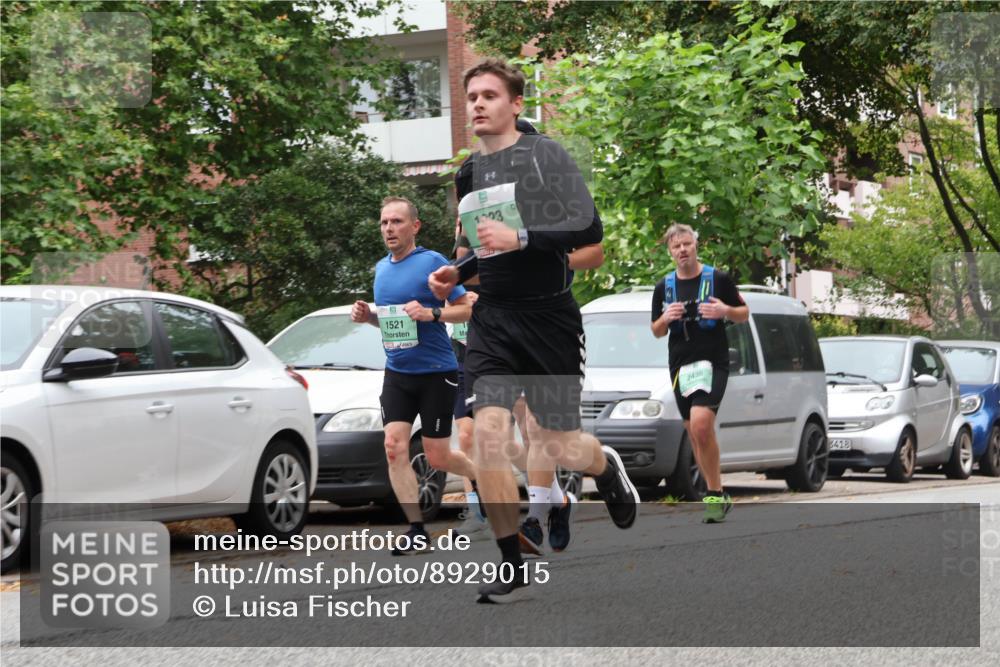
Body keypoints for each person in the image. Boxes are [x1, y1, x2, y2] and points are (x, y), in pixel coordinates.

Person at [428, 59, 639, 603]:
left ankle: (604, 465)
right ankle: (512, 563)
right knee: (490, 437)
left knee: (563, 445)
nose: (477, 103)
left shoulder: (544, 155)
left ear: (516, 104)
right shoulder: (468, 173)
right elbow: (478, 248)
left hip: (549, 318)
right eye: (471, 95)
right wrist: (457, 272)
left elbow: (589, 230)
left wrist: (521, 237)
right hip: (493, 318)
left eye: (490, 95)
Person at [351, 196, 477, 554]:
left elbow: (466, 309)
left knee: (438, 457)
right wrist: (369, 318)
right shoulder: (381, 268)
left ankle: (485, 482)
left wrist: (432, 314)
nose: (389, 228)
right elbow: (392, 322)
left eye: (396, 222)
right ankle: (416, 529)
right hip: (398, 372)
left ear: (414, 226)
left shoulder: (433, 263)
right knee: (394, 447)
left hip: (436, 372)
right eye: (384, 223)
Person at [650, 223, 749, 523]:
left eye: (686, 244)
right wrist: (665, 318)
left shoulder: (717, 279)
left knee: (702, 425)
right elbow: (655, 331)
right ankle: (716, 493)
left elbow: (744, 313)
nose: (682, 250)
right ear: (670, 252)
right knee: (694, 432)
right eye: (676, 246)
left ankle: (715, 495)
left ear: (696, 245)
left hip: (713, 362)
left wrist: (725, 312)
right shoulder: (663, 287)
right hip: (681, 365)